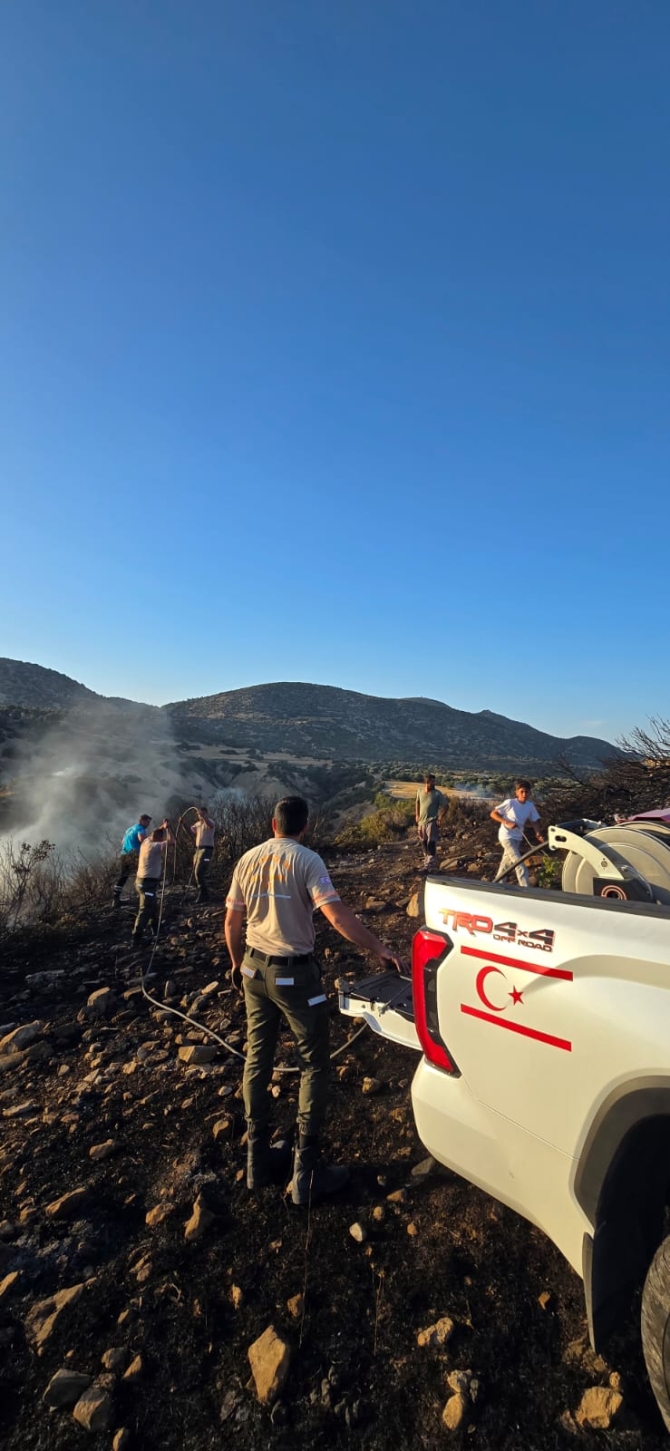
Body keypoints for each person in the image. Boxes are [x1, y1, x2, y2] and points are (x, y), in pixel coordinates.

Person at [224, 795, 404, 1203]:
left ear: (273, 825)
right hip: (294, 975)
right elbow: (336, 916)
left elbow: (232, 921)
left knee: (258, 1057)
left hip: (253, 969)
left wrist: (237, 965)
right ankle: (305, 1176)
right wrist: (380, 949)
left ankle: (257, 1162)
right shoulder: (307, 861)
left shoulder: (247, 859)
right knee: (314, 1064)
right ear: (304, 827)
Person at [490, 780, 544, 888]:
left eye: (527, 792)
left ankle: (496, 885)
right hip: (506, 836)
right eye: (522, 791)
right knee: (519, 862)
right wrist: (506, 822)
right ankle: (526, 888)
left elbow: (534, 821)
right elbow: (493, 813)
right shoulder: (510, 803)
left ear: (529, 793)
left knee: (506, 864)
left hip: (518, 838)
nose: (524, 794)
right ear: (517, 792)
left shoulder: (530, 806)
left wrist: (538, 834)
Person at [132, 819, 175, 946]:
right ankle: (136, 937)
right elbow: (172, 842)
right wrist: (168, 829)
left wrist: (163, 827)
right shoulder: (155, 846)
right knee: (145, 909)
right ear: (159, 839)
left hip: (141, 881)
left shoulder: (146, 841)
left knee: (153, 906)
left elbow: (155, 833)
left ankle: (156, 930)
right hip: (147, 883)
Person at [113, 814, 151, 907]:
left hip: (124, 854)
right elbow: (141, 839)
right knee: (142, 873)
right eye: (147, 822)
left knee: (124, 876)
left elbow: (122, 842)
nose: (148, 825)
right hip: (134, 855)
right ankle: (143, 895)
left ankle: (116, 899)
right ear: (142, 821)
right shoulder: (140, 829)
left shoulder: (129, 829)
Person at [415, 773, 449, 871]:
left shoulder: (437, 794)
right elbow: (417, 802)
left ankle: (431, 863)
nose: (434, 783)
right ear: (427, 782)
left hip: (432, 822)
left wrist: (440, 817)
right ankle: (427, 861)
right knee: (423, 842)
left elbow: (446, 806)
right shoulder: (420, 791)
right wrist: (417, 815)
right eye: (432, 781)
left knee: (431, 842)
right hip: (421, 822)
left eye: (434, 781)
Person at [190, 805, 215, 902]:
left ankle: (203, 894)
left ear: (206, 813)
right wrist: (183, 824)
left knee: (199, 872)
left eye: (203, 813)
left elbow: (210, 825)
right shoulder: (197, 824)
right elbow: (191, 831)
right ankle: (204, 893)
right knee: (196, 872)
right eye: (199, 814)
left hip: (207, 849)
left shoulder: (210, 822)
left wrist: (204, 817)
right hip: (198, 850)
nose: (200, 815)